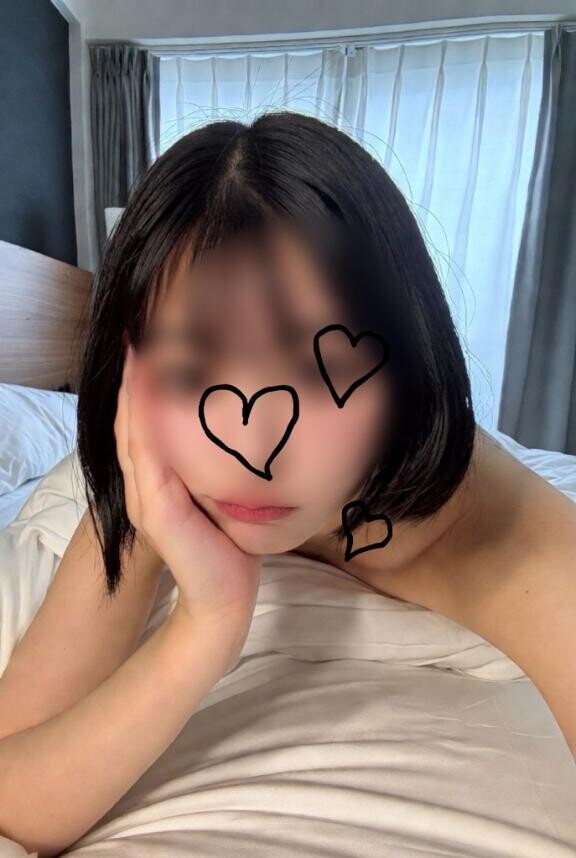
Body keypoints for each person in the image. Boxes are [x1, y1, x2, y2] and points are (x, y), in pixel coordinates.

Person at [0, 111, 574, 855]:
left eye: (318, 369)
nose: (253, 446)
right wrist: (207, 625)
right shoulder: (154, 474)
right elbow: (14, 793)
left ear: (408, 367)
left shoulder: (511, 543)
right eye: (190, 369)